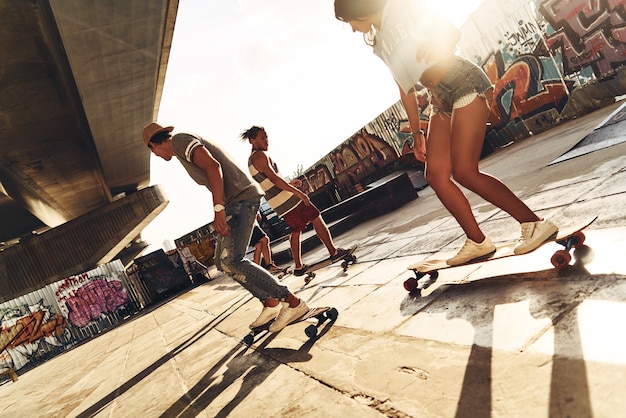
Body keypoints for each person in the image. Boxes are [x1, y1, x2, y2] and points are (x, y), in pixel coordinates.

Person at [334, 0, 558, 265]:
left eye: (349, 20)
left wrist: (442, 45)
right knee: (436, 174)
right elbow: (404, 88)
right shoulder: (380, 42)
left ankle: (534, 223)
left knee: (465, 171)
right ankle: (478, 241)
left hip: (462, 81)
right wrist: (417, 133)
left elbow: (449, 29)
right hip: (438, 96)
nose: (351, 29)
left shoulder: (400, 9)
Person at [142, 122, 308, 331]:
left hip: (238, 201)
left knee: (232, 260)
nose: (157, 157)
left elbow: (213, 167)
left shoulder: (179, 140)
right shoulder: (180, 146)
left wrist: (218, 208)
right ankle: (269, 303)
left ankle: (292, 302)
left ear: (153, 145)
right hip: (237, 201)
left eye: (153, 152)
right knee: (223, 262)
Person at [241, 126, 350, 275]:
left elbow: (271, 182)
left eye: (266, 137)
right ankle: (333, 252)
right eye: (262, 138)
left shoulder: (251, 160)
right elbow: (274, 178)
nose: (266, 140)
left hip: (278, 202)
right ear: (253, 140)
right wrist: (298, 193)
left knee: (296, 230)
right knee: (316, 218)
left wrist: (289, 185)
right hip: (287, 200)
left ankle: (298, 266)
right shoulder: (259, 156)